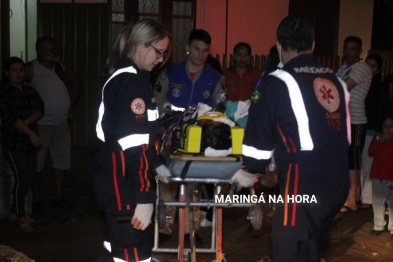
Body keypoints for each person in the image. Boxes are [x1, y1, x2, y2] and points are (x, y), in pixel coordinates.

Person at [229, 15, 351, 261]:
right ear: (313, 45)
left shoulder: (276, 82)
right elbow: (345, 136)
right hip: (338, 181)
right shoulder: (336, 81)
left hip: (303, 185)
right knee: (309, 245)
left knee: (289, 246)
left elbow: (258, 138)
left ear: (278, 45)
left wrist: (249, 171)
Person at [93, 19, 172, 262]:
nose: (161, 59)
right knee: (133, 254)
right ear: (141, 46)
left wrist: (156, 161)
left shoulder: (128, 75)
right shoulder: (132, 81)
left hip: (118, 177)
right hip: (124, 183)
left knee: (127, 251)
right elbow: (134, 145)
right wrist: (144, 197)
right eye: (159, 52)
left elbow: (142, 134)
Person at [153, 29, 225, 245]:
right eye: (196, 49)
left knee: (193, 185)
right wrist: (160, 129)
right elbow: (155, 102)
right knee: (168, 184)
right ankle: (164, 228)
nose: (200, 55)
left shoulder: (215, 78)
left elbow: (222, 106)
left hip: (198, 140)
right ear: (187, 47)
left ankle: (189, 231)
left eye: (205, 51)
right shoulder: (169, 74)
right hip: (170, 137)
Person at [24, 37, 82, 212]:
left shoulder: (61, 68)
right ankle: (36, 198)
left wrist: (71, 105)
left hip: (61, 124)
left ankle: (58, 196)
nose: (55, 52)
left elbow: (77, 82)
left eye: (56, 48)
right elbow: (14, 83)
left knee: (61, 162)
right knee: (37, 165)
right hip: (41, 126)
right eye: (51, 49)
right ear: (41, 51)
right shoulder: (31, 69)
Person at [0, 57, 44, 232]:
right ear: (7, 73)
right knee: (21, 178)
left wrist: (24, 124)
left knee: (30, 175)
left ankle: (13, 212)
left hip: (29, 141)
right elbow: (10, 117)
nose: (18, 74)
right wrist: (29, 131)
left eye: (20, 70)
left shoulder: (29, 90)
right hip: (13, 142)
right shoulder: (4, 92)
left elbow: (40, 109)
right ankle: (20, 216)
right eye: (14, 70)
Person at [336, 36, 372, 212]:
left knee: (353, 161)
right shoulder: (343, 68)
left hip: (356, 121)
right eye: (346, 48)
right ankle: (345, 196)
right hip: (342, 120)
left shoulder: (362, 68)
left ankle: (352, 200)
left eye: (353, 49)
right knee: (343, 160)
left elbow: (342, 87)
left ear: (360, 51)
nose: (349, 52)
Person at [359, 54, 384, 209]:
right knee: (359, 164)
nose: (369, 69)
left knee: (368, 164)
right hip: (360, 126)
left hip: (371, 128)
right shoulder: (362, 82)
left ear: (379, 69)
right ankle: (359, 195)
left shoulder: (378, 85)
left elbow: (380, 108)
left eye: (373, 66)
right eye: (367, 65)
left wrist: (379, 129)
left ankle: (367, 198)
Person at [368, 115, 393, 240]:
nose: (388, 129)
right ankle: (378, 226)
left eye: (391, 126)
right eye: (385, 126)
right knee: (377, 201)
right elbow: (371, 151)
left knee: (392, 202)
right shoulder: (378, 137)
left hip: (390, 177)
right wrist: (381, 140)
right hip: (378, 175)